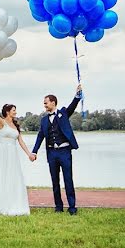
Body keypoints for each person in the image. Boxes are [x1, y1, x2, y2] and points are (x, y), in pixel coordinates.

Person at [31, 84, 82, 215]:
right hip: (52, 153)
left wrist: (77, 95)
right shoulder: (43, 120)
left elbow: (73, 105)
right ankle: (58, 207)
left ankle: (72, 208)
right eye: (44, 104)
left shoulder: (64, 113)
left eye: (46, 103)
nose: (44, 105)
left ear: (53, 102)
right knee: (55, 181)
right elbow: (40, 136)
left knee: (68, 179)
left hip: (65, 152)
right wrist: (34, 151)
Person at [0, 96, 33, 216]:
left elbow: (21, 142)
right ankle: (2, 204)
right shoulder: (2, 122)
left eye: (15, 110)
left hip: (13, 154)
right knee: (3, 175)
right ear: (8, 112)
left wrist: (29, 154)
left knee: (14, 176)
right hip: (3, 152)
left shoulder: (16, 126)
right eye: (13, 110)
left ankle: (15, 203)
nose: (15, 112)